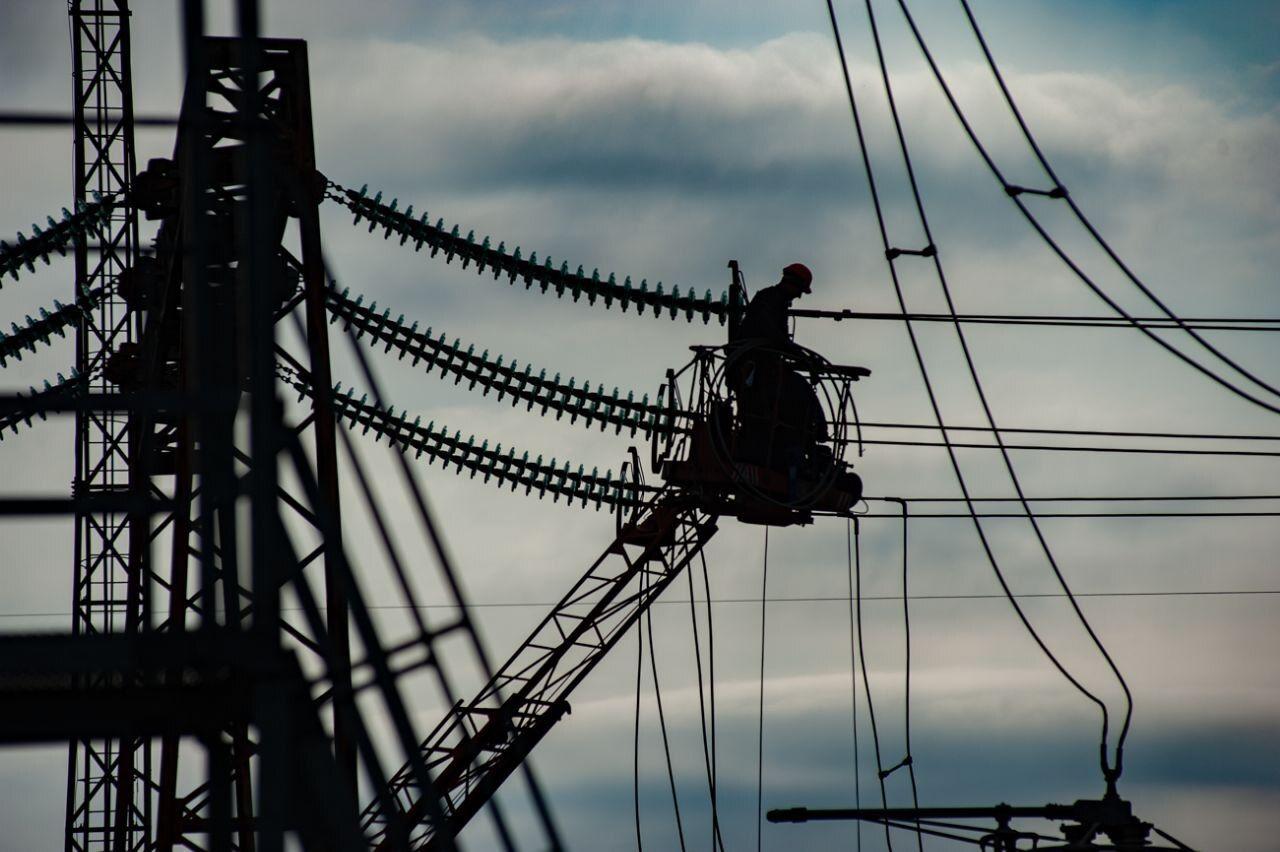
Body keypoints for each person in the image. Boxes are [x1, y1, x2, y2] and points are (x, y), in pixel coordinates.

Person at [728, 263, 827, 476]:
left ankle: (810, 434)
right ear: (792, 284)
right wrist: (800, 355)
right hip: (751, 370)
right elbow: (771, 336)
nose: (799, 297)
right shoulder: (768, 299)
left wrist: (802, 358)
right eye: (800, 291)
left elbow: (777, 343)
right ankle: (764, 450)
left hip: (764, 368)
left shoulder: (776, 303)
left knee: (796, 391)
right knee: (772, 403)